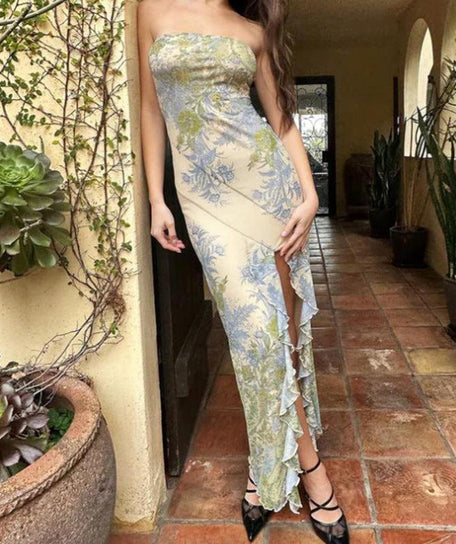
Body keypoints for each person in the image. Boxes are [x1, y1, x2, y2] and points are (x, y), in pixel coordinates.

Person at [137, 1, 349, 542]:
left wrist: (309, 195)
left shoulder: (253, 29)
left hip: (268, 187)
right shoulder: (152, 9)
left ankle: (264, 466)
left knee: (279, 339)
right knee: (254, 334)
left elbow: (280, 119)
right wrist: (157, 200)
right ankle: (312, 470)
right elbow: (150, 109)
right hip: (204, 200)